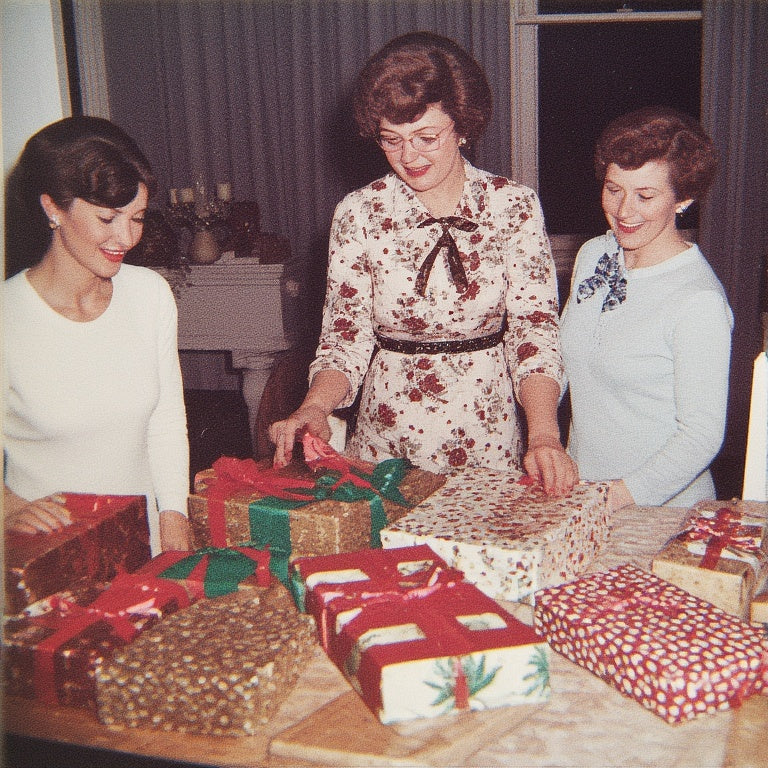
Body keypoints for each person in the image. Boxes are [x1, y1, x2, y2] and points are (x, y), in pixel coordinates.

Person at [269, 32, 577, 496]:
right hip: (385, 442)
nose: (409, 156)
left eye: (426, 137)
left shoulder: (512, 206)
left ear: (463, 126)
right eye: (391, 140)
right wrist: (314, 406)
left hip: (488, 439)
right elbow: (344, 339)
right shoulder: (359, 212)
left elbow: (534, 333)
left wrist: (544, 435)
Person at [3, 116, 190, 554]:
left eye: (137, 218)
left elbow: (165, 422)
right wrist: (7, 508)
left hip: (144, 542)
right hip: (50, 553)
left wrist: (174, 515)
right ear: (53, 208)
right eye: (107, 218)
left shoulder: (149, 295)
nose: (125, 238)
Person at [560, 105, 732, 511]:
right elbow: (563, 362)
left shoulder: (698, 299)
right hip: (580, 489)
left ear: (683, 198)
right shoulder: (594, 255)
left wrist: (615, 496)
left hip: (658, 509)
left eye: (645, 195)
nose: (624, 211)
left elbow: (702, 437)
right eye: (614, 189)